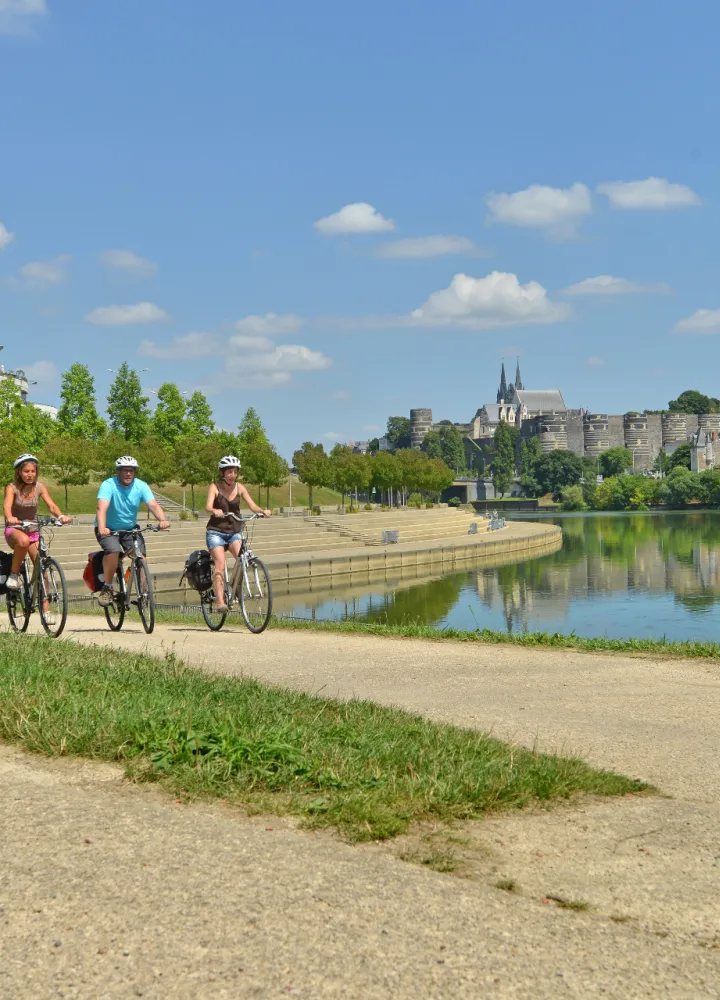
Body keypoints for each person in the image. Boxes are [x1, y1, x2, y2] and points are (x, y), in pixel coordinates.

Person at [95, 456, 170, 607]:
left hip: (130, 529)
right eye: (125, 470)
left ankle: (143, 592)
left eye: (131, 470)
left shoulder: (141, 486)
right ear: (118, 472)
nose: (128, 473)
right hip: (108, 529)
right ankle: (107, 588)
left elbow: (153, 505)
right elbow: (101, 508)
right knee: (113, 552)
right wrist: (102, 527)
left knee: (140, 557)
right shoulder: (108, 485)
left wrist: (162, 520)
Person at [205, 455, 271, 612]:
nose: (232, 475)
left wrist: (262, 511)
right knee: (220, 565)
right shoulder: (214, 487)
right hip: (216, 532)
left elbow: (252, 505)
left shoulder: (240, 488)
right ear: (222, 472)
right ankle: (220, 602)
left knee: (243, 560)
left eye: (235, 472)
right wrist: (214, 510)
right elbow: (207, 507)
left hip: (235, 531)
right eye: (229, 472)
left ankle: (236, 589)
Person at [4, 454, 72, 597]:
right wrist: (10, 517)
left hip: (33, 529)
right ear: (19, 472)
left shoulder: (40, 487)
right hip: (15, 529)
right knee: (23, 541)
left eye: (33, 471)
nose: (30, 475)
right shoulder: (12, 487)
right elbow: (7, 506)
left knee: (41, 568)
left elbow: (51, 505)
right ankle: (14, 574)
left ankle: (44, 606)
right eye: (26, 471)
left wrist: (60, 516)